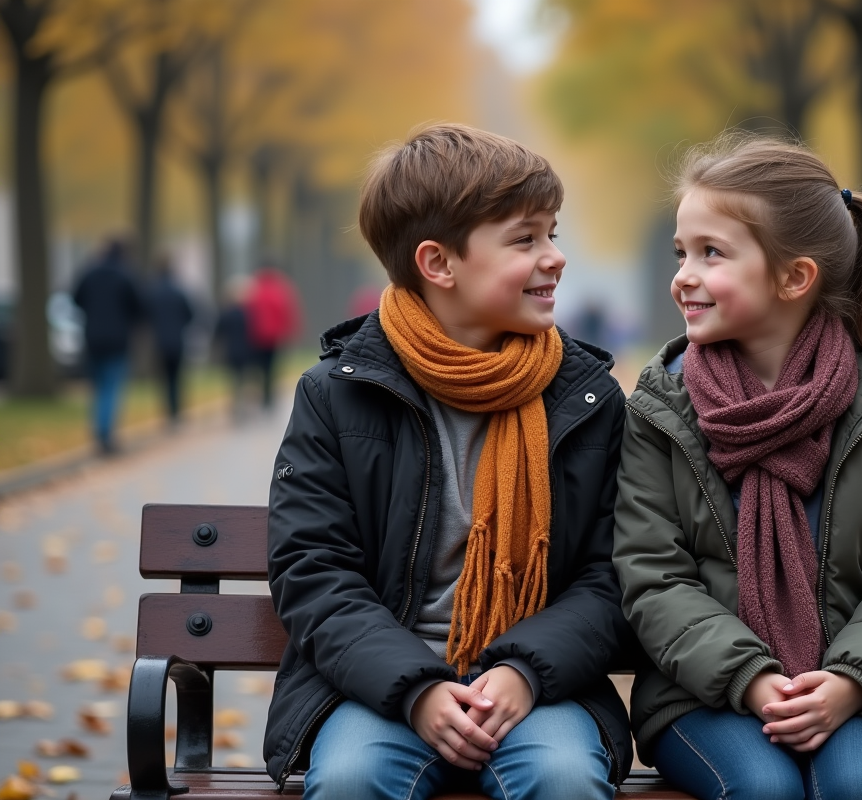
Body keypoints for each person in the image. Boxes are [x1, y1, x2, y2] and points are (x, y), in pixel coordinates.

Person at [263, 124, 634, 800]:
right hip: (386, 689)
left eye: (553, 233)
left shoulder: (587, 398)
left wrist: (525, 672)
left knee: (564, 779)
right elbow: (313, 570)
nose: (554, 257)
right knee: (348, 780)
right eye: (525, 239)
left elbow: (611, 572)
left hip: (537, 685)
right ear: (439, 264)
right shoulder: (337, 394)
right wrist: (418, 690)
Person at [612, 133, 862, 800]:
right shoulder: (661, 409)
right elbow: (653, 577)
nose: (684, 273)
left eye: (712, 253)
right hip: (701, 694)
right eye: (682, 251)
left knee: (854, 787)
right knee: (764, 789)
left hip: (861, 690)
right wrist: (749, 677)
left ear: (794, 277)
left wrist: (851, 682)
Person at [72, 239, 143, 454]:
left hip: (92, 338)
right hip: (117, 339)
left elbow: (75, 299)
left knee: (98, 386)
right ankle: (105, 435)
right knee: (111, 386)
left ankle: (98, 431)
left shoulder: (89, 273)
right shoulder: (126, 275)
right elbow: (138, 306)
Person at [143, 256, 194, 425]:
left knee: (164, 378)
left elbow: (146, 316)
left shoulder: (152, 292)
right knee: (176, 377)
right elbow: (190, 314)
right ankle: (176, 412)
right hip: (177, 340)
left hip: (159, 341)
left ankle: (167, 412)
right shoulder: (178, 291)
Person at [244, 263, 300, 409]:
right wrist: (290, 331)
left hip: (256, 334)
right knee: (271, 366)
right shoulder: (280, 287)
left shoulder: (255, 287)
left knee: (259, 366)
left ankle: (261, 394)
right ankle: (268, 396)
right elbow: (287, 310)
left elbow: (248, 311)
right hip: (274, 335)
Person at [213, 276, 254, 420]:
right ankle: (245, 406)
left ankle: (236, 406)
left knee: (234, 379)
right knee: (245, 378)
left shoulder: (226, 313)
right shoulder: (247, 313)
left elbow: (218, 332)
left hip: (231, 351)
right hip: (246, 350)